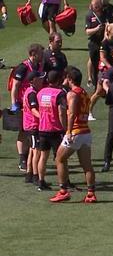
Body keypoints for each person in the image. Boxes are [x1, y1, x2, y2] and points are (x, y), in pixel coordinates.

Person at [49, 67, 97, 203]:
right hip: (86, 132)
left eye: (65, 77)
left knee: (59, 159)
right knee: (87, 165)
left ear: (69, 79)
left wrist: (68, 131)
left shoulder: (72, 94)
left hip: (75, 132)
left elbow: (71, 114)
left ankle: (63, 191)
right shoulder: (84, 93)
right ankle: (91, 193)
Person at [9, 43, 45, 172]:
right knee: (23, 131)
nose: (42, 55)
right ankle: (22, 159)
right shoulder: (22, 68)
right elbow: (15, 87)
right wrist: (14, 104)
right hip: (23, 104)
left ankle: (30, 157)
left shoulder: (39, 65)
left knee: (32, 130)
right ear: (33, 54)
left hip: (34, 101)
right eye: (40, 53)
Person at [36, 70, 67, 191]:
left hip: (42, 128)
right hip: (55, 129)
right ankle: (63, 183)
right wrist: (65, 128)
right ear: (59, 80)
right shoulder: (59, 94)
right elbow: (61, 112)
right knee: (61, 158)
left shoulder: (40, 93)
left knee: (43, 157)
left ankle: (41, 181)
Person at [85, 0, 113, 87]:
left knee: (107, 60)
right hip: (94, 43)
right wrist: (96, 29)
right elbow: (87, 31)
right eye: (95, 7)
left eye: (98, 6)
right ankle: (95, 83)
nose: (96, 8)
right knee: (94, 62)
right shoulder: (89, 15)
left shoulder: (106, 14)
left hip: (105, 43)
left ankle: (110, 81)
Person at [22, 71, 46, 184]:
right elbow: (33, 109)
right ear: (33, 80)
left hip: (29, 125)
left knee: (32, 150)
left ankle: (28, 175)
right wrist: (43, 117)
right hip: (33, 126)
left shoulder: (30, 91)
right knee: (37, 151)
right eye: (40, 78)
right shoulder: (32, 93)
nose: (42, 80)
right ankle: (36, 177)